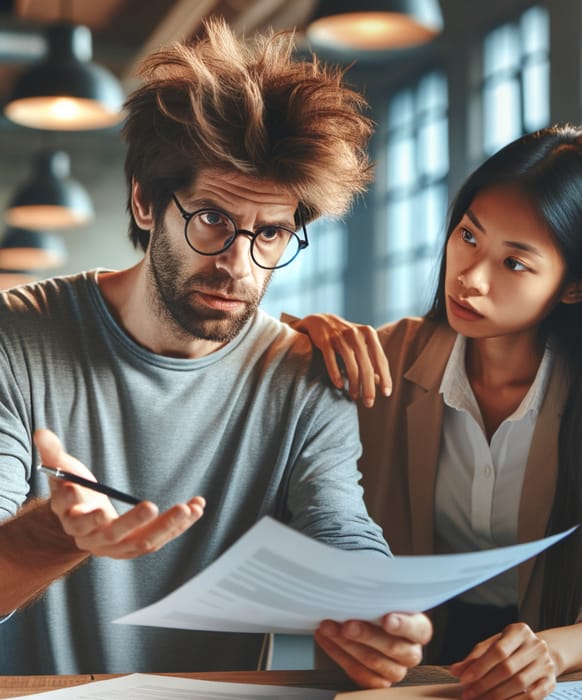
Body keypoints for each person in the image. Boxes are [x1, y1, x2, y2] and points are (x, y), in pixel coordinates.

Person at [0, 20, 431, 687]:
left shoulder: (306, 373)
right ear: (145, 200)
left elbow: (339, 526)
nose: (240, 266)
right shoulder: (15, 338)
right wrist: (52, 535)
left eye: (271, 235)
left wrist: (378, 611)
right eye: (213, 221)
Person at [291, 125, 582, 699]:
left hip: (546, 664)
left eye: (514, 264)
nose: (470, 277)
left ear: (578, 285)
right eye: (468, 235)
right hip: (401, 662)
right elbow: (250, 363)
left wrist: (551, 651)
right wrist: (300, 332)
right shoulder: (387, 359)